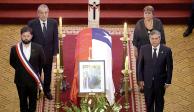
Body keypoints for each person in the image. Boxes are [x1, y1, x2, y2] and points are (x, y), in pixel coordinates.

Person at [10, 26, 45, 112]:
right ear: (21, 36)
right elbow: (12, 62)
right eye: (24, 36)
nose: (26, 38)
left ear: (31, 36)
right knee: (22, 103)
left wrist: (34, 71)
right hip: (20, 81)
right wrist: (21, 70)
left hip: (33, 80)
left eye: (28, 36)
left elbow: (42, 62)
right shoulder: (14, 49)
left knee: (33, 103)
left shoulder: (38, 48)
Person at [28, 4, 59, 100]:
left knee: (48, 74)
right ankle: (37, 91)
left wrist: (55, 54)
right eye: (41, 13)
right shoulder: (31, 24)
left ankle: (47, 91)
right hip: (36, 56)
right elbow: (29, 40)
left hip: (49, 55)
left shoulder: (53, 23)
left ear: (48, 13)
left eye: (46, 13)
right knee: (36, 74)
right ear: (38, 13)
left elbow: (55, 39)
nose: (44, 15)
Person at [138, 30, 173, 112]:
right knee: (149, 102)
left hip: (160, 83)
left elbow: (170, 67)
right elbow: (140, 65)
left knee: (159, 103)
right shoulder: (143, 49)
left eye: (156, 38)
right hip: (147, 82)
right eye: (152, 39)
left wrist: (168, 81)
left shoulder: (167, 50)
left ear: (160, 39)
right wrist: (140, 79)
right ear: (149, 39)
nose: (154, 41)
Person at [132, 5, 166, 88]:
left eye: (149, 13)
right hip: (142, 50)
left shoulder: (158, 23)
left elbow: (162, 37)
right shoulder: (139, 24)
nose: (147, 15)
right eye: (145, 13)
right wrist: (135, 49)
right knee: (141, 67)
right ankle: (141, 85)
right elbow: (135, 38)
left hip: (155, 49)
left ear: (153, 14)